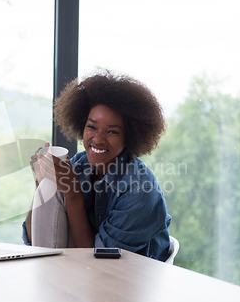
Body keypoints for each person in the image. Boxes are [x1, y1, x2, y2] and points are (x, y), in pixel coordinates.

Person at [22, 70, 171, 261]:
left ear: (130, 136)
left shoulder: (141, 192)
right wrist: (40, 181)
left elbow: (99, 262)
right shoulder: (80, 164)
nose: (98, 139)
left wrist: (73, 193)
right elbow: (33, 240)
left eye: (112, 132)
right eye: (92, 127)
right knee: (49, 185)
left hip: (127, 282)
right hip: (77, 274)